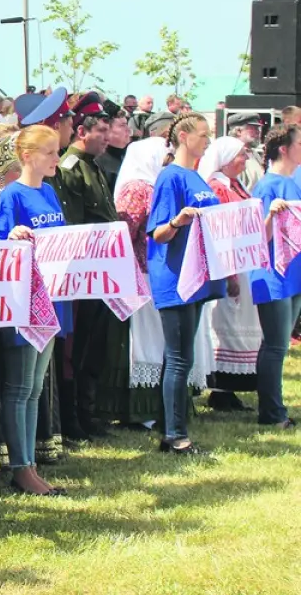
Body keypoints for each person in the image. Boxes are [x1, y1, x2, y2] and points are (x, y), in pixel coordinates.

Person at [0, 125, 74, 495]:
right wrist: (11, 236)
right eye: (50, 152)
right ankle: (20, 467)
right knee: (20, 386)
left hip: (51, 299)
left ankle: (30, 463)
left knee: (35, 387)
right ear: (27, 156)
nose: (56, 159)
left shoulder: (50, 192)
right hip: (24, 303)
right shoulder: (12, 195)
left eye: (57, 152)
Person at [147, 112, 225, 456]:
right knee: (180, 360)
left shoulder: (196, 177)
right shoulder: (171, 177)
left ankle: (170, 428)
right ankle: (176, 436)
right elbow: (159, 233)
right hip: (175, 277)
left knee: (178, 359)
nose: (208, 141)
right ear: (183, 136)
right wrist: (178, 221)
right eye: (203, 134)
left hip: (195, 278)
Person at [48, 92, 116, 441]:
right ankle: (75, 418)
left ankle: (89, 415)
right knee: (78, 346)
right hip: (82, 271)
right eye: (102, 130)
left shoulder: (92, 166)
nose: (107, 136)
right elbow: (73, 222)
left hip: (102, 269)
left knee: (94, 344)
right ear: (82, 132)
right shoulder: (71, 169)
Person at [105, 136, 170, 427]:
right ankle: (139, 409)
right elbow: (125, 235)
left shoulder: (153, 185)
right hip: (138, 275)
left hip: (152, 272)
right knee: (143, 342)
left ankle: (155, 406)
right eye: (163, 155)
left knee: (155, 341)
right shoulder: (136, 189)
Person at [197, 137, 261, 412]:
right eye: (241, 154)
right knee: (225, 325)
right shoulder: (217, 188)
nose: (245, 158)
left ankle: (230, 389)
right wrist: (230, 274)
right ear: (224, 158)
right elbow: (220, 234)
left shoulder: (235, 185)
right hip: (228, 265)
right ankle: (221, 389)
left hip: (244, 263)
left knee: (240, 326)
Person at [250, 124, 301, 430]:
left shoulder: (294, 182)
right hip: (272, 275)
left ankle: (275, 407)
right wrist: (271, 215)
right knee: (276, 345)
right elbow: (256, 236)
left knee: (278, 344)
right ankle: (271, 413)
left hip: (293, 274)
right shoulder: (267, 186)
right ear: (285, 148)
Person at [226, 112, 265, 190]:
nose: (258, 132)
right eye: (253, 128)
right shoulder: (231, 156)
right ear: (238, 131)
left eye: (258, 128)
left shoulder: (254, 154)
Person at [95, 109, 132, 192]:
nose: (128, 130)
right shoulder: (98, 162)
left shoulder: (132, 157)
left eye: (127, 125)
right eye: (122, 125)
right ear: (107, 129)